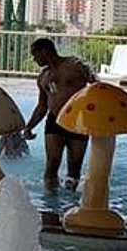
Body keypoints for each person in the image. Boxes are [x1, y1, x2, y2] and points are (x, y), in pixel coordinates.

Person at [23, 37, 94, 190]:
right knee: (52, 164)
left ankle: (70, 200)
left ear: (44, 51)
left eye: (35, 55)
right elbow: (42, 106)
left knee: (74, 167)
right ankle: (50, 200)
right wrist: (29, 127)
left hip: (78, 121)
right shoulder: (43, 77)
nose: (34, 59)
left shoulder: (75, 65)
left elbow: (96, 87)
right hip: (55, 120)